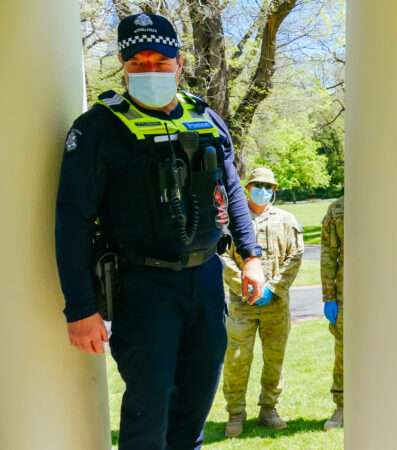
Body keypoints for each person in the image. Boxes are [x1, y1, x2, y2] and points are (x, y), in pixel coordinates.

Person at [55, 13, 265, 450]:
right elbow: (72, 222)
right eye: (139, 63)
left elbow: (232, 190)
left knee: (195, 403)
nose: (150, 71)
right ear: (123, 64)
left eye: (160, 61)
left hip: (204, 279)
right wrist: (80, 308)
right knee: (149, 410)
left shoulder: (206, 119)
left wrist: (253, 257)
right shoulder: (97, 129)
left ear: (180, 61)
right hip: (141, 285)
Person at [222, 167, 304, 438]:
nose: (263, 190)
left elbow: (296, 255)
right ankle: (235, 413)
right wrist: (243, 285)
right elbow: (221, 256)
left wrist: (273, 287)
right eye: (258, 185)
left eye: (268, 187)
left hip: (275, 304)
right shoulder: (233, 220)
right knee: (237, 358)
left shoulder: (286, 220)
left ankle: (269, 409)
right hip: (242, 304)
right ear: (248, 188)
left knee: (274, 358)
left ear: (274, 190)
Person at [320, 196, 344, 429]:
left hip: (382, 290)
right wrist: (329, 297)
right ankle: (343, 405)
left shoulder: (385, 200)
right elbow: (328, 254)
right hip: (346, 292)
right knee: (343, 348)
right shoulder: (338, 209)